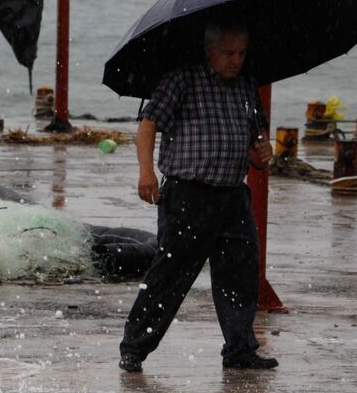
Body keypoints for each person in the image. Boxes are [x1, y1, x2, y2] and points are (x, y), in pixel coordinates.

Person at [118, 19, 278, 373]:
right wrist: (146, 172)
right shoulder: (183, 78)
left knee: (240, 274)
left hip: (233, 194)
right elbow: (148, 125)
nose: (235, 60)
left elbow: (255, 144)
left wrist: (262, 152)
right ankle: (134, 347)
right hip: (188, 193)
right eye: (228, 53)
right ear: (209, 49)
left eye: (241, 53)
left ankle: (240, 349)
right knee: (171, 274)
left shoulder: (247, 85)